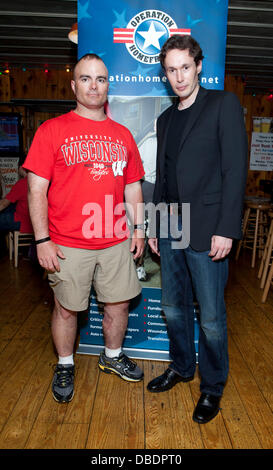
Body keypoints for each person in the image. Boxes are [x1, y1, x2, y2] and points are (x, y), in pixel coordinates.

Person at [23, 53, 145, 403]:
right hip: (66, 243)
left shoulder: (122, 135)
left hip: (115, 240)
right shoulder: (52, 131)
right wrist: (42, 240)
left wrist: (139, 230)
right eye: (87, 79)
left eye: (101, 79)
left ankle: (111, 356)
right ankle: (65, 363)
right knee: (66, 308)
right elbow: (36, 189)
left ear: (108, 86)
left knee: (118, 305)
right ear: (74, 85)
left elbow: (133, 186)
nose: (94, 85)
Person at [147, 35, 248, 424]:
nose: (179, 76)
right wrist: (155, 223)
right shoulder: (166, 118)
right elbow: (164, 178)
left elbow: (234, 171)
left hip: (207, 227)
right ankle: (181, 366)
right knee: (172, 307)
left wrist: (226, 228)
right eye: (171, 70)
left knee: (210, 315)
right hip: (171, 223)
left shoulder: (222, 105)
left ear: (199, 66)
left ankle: (212, 387)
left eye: (185, 67)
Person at [0, 165, 33, 234]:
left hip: (24, 223)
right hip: (37, 221)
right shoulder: (39, 182)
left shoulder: (22, 183)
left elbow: (3, 204)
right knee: (11, 206)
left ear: (21, 167)